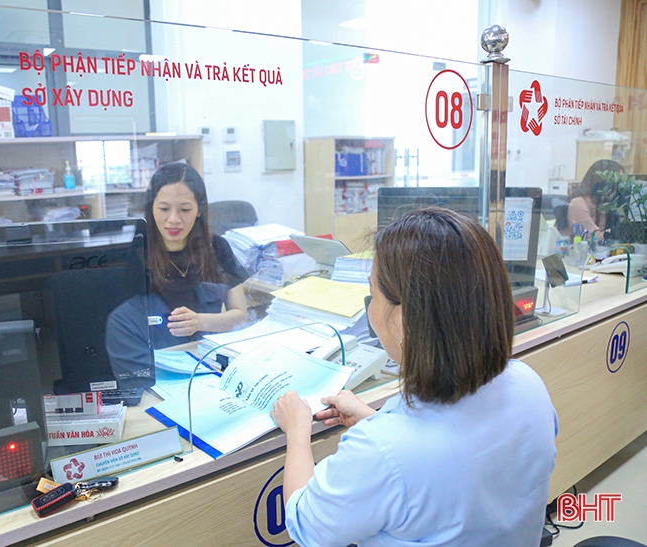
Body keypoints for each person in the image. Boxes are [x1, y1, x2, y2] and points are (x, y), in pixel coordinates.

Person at [270, 207, 558, 547]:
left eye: (372, 296)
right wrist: (374, 420)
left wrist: (298, 429)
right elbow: (456, 458)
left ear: (407, 319)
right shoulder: (528, 383)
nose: (371, 310)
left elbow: (305, 525)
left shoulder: (381, 451)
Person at [144, 162, 248, 347]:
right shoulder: (138, 253)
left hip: (206, 353)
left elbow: (240, 315)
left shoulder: (216, 247)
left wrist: (200, 322)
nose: (174, 219)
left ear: (199, 209)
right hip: (157, 357)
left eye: (185, 210)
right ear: (151, 208)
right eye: (164, 209)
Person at [558, 159, 624, 239]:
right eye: (617, 182)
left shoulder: (602, 203)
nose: (620, 186)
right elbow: (593, 237)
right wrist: (619, 232)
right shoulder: (577, 204)